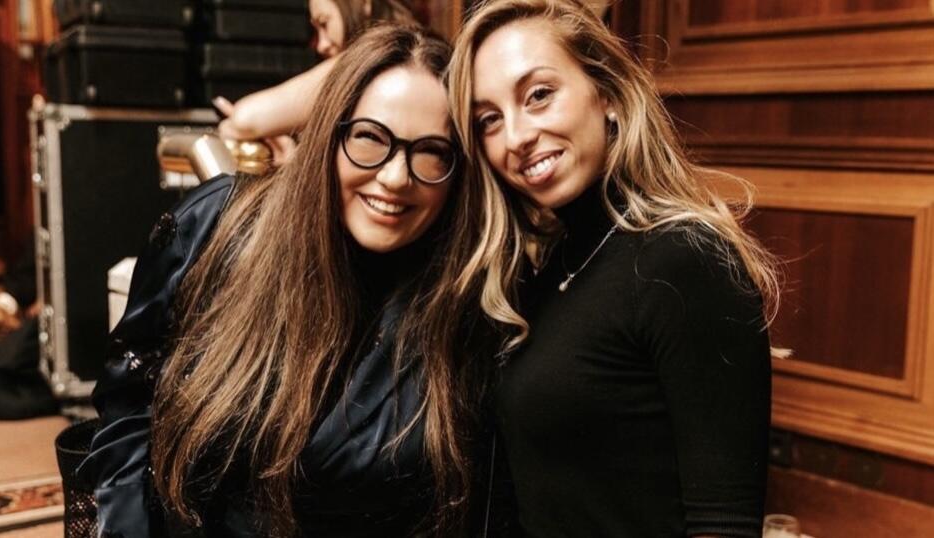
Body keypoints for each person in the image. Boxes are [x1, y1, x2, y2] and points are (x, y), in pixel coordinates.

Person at [79, 24, 504, 537]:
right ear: (328, 134)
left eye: (433, 151)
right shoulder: (215, 226)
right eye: (370, 137)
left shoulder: (462, 310)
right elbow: (128, 405)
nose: (396, 177)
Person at [447, 0, 782, 536]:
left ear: (606, 92)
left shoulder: (684, 258)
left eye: (539, 95)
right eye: (489, 119)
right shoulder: (547, 268)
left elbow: (723, 523)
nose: (516, 136)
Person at [215, 0, 417, 161]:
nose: (321, 45)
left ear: (365, 3)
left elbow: (245, 119)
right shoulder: (416, 51)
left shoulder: (378, 56)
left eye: (324, 23)